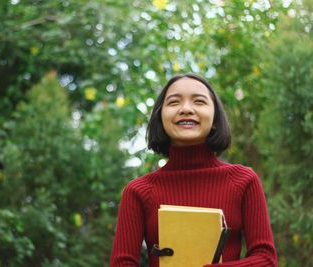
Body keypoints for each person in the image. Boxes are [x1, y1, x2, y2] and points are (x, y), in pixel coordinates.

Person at [109, 73, 277, 267]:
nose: (186, 109)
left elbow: (266, 259)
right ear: (160, 118)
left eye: (199, 101)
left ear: (215, 120)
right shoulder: (138, 191)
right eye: (174, 102)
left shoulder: (244, 181)